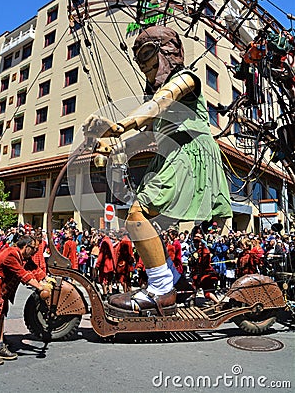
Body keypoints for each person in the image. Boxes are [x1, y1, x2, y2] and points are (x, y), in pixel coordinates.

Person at [84, 25, 232, 316]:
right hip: (170, 153)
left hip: (187, 152)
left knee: (137, 216)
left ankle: (162, 289)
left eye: (149, 57)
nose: (146, 68)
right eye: (141, 62)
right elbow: (146, 135)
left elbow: (156, 105)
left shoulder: (186, 78)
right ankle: (172, 282)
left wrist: (117, 126)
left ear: (167, 52)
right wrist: (113, 143)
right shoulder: (160, 92)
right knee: (141, 218)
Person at [0, 235, 47, 366]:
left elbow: (34, 269)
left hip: (2, 291)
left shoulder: (23, 256)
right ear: (26, 247)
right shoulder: (11, 254)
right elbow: (22, 274)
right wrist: (40, 287)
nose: (36, 251)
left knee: (0, 317)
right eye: (34, 248)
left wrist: (47, 281)